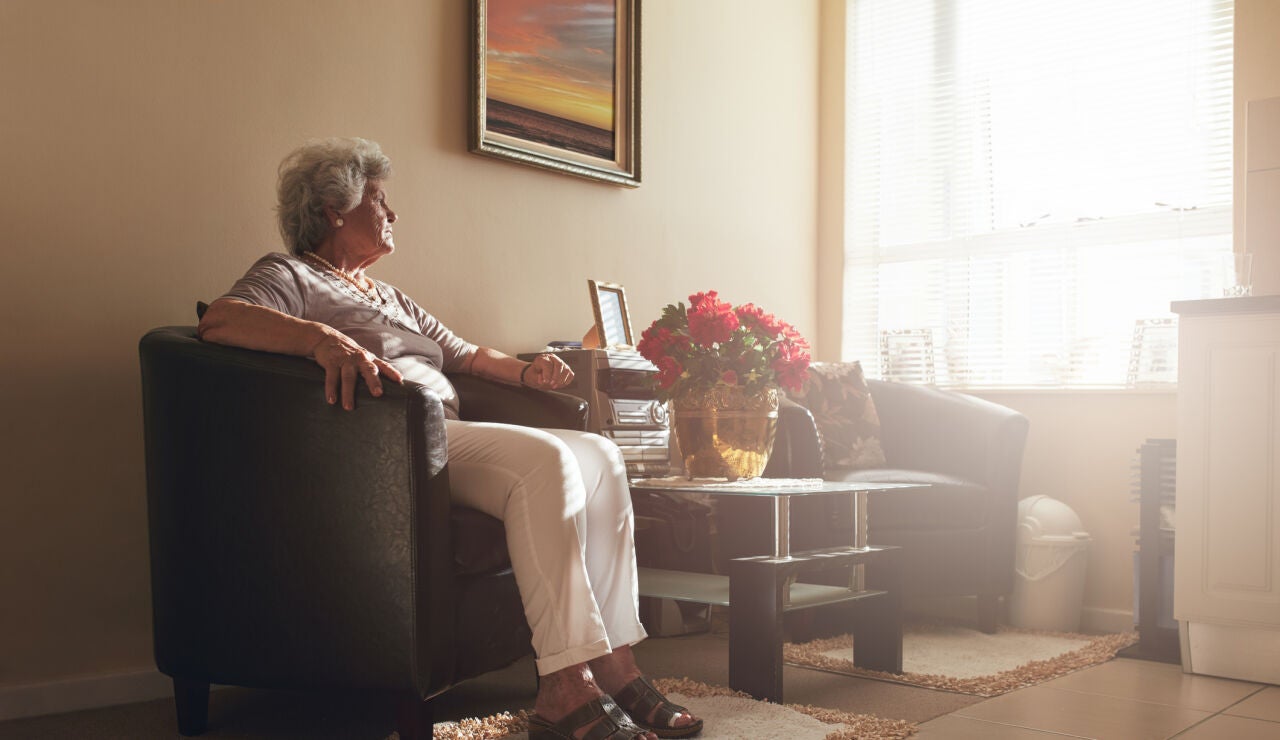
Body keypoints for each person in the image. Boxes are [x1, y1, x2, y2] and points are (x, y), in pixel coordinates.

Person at [197, 138, 702, 740]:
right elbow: (220, 318)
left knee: (599, 453)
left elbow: (464, 353)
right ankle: (565, 684)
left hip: (446, 437)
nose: (393, 214)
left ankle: (615, 662)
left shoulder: (387, 295)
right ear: (336, 209)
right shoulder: (291, 275)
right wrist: (320, 339)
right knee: (546, 459)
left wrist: (527, 372)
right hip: (386, 447)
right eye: (380, 201)